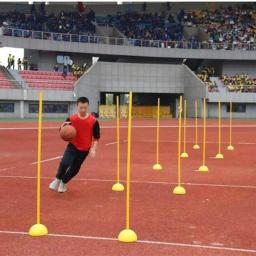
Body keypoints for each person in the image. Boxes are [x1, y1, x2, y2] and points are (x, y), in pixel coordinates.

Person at [49, 97, 100, 193]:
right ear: (77, 106)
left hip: (84, 149)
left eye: (85, 107)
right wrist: (64, 132)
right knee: (65, 162)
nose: (83, 110)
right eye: (81, 107)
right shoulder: (71, 119)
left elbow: (96, 137)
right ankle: (57, 179)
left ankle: (64, 183)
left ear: (88, 106)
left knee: (75, 169)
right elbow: (62, 129)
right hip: (72, 146)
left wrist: (93, 149)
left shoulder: (93, 121)